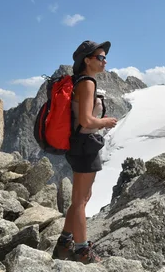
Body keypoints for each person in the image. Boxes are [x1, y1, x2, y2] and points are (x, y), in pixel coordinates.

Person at [52, 40, 118, 264]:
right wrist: (106, 121)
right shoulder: (88, 82)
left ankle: (64, 243)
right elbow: (86, 120)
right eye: (100, 57)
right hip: (85, 144)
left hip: (81, 144)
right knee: (80, 200)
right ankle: (81, 251)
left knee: (83, 197)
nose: (104, 61)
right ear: (87, 61)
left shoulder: (82, 82)